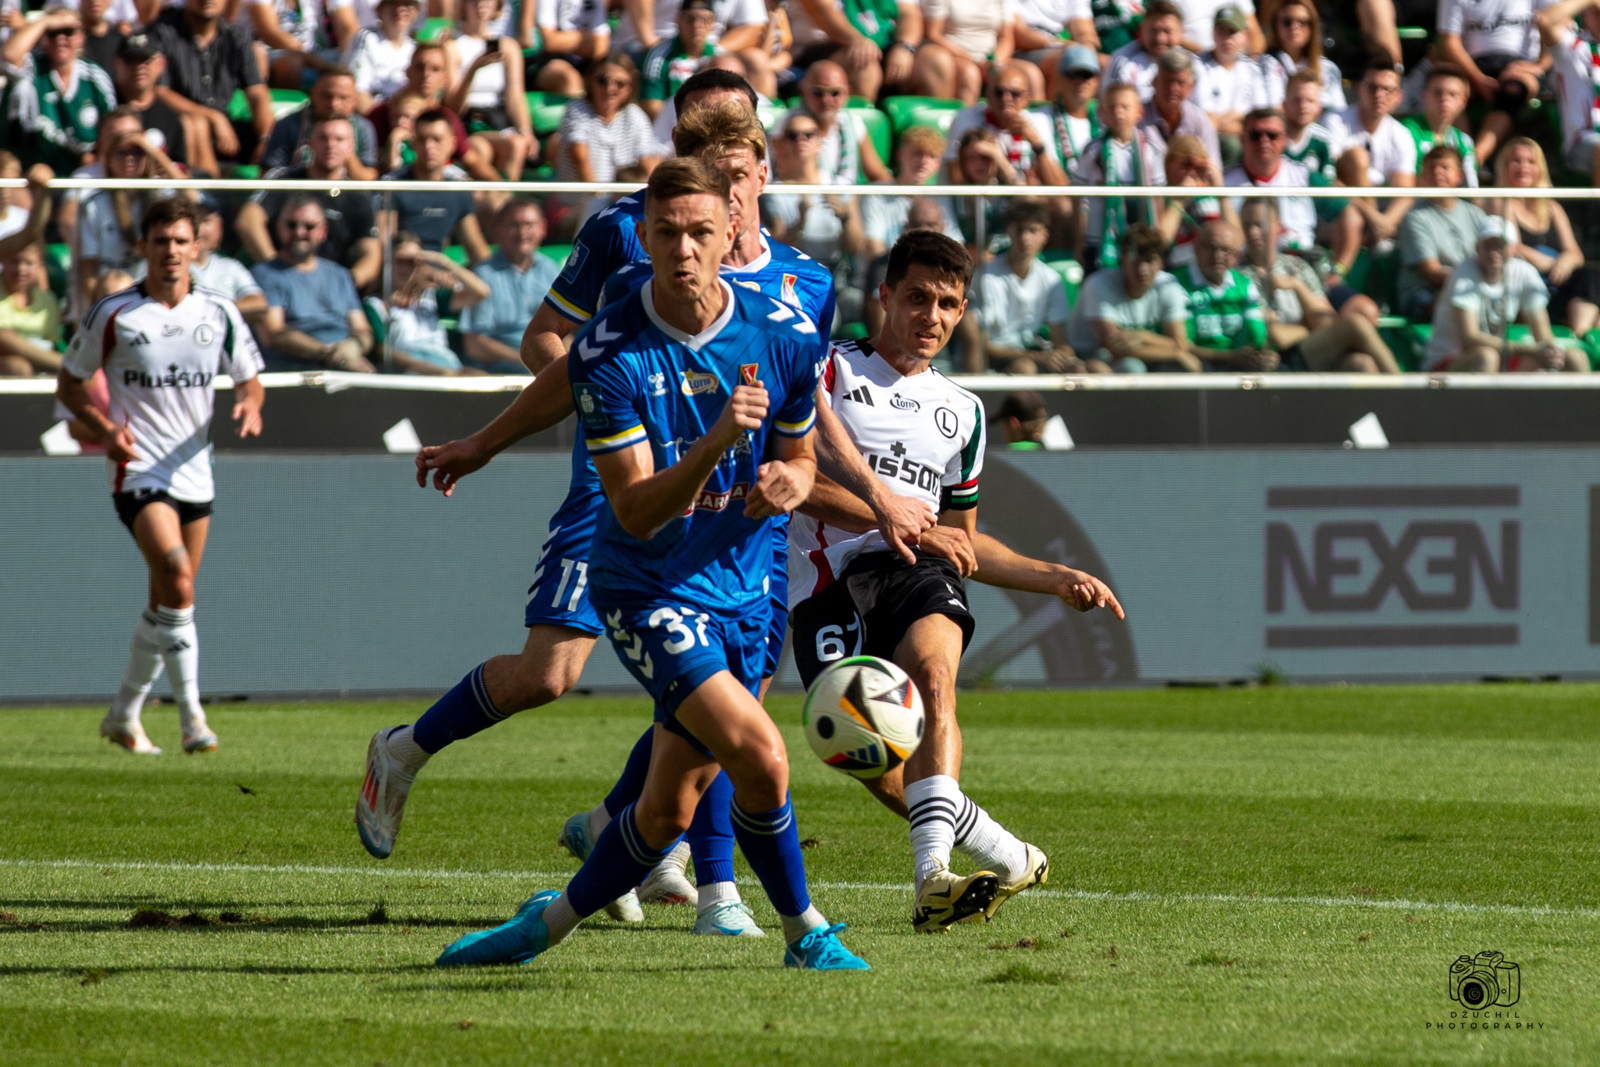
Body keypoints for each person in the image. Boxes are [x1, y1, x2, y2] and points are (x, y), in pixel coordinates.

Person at [358, 98, 886, 941]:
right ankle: (409, 749)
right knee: (553, 674)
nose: (728, 194)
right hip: (623, 493)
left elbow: (803, 411)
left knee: (710, 720)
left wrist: (831, 484)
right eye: (710, 164)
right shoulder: (620, 239)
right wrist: (512, 436)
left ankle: (646, 853)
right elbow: (556, 351)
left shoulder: (801, 287)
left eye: (743, 174)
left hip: (732, 533)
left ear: (759, 178)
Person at [789, 229, 1123, 931]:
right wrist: (890, 515)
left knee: (936, 684)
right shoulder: (827, 372)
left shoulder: (964, 411)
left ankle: (931, 882)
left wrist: (1052, 575)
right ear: (884, 295)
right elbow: (792, 483)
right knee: (872, 758)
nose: (931, 316)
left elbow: (959, 542)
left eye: (947, 303)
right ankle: (1005, 849)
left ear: (963, 310)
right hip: (824, 585)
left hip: (917, 574)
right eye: (917, 297)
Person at [56, 196, 266, 756]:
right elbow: (69, 385)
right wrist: (104, 430)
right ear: (143, 247)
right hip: (137, 466)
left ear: (196, 247)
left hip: (196, 468)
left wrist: (250, 402)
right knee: (177, 579)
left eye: (180, 241)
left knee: (169, 601)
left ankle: (123, 714)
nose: (171, 251)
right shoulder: (115, 313)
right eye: (160, 241)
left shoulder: (218, 311)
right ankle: (193, 719)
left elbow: (249, 377)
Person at [1237, 198, 1397, 372]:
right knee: (1355, 324)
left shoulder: (1298, 267)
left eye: (1260, 225)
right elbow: (1275, 336)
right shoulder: (1241, 277)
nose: (1253, 232)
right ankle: (1405, 389)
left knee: (1361, 363)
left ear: (1279, 226)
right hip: (1278, 360)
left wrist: (1297, 286)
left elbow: (1327, 322)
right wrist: (1310, 326)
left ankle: (1397, 395)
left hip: (1309, 351)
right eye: (1247, 226)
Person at [238, 115, 383, 292]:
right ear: (309, 142)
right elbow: (247, 221)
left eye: (339, 139)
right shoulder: (284, 179)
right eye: (323, 138)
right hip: (280, 287)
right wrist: (276, 271)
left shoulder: (358, 194)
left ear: (351, 146)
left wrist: (343, 286)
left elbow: (371, 253)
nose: (331, 145)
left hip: (331, 290)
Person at [1424, 216, 1586, 373]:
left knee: (1575, 358)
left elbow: (1542, 334)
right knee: (1486, 357)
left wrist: (1549, 351)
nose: (1494, 251)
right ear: (1477, 248)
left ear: (1514, 248)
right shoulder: (1464, 273)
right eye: (1488, 245)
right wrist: (1528, 350)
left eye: (1501, 245)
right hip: (1447, 363)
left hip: (1500, 358)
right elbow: (1470, 338)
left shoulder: (1525, 272)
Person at [252, 195, 377, 371]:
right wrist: (332, 355)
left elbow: (362, 329)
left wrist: (354, 345)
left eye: (309, 226)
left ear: (323, 230)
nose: (299, 233)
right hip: (297, 371)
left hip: (346, 364)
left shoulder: (340, 275)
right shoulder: (265, 274)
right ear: (278, 227)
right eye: (291, 225)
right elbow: (274, 333)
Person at [1491, 137, 1599, 338]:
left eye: (1531, 162)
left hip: (1559, 284)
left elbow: (1576, 254)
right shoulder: (1500, 202)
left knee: (1592, 277)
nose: (1524, 167)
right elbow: (1513, 247)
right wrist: (1551, 263)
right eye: (1516, 160)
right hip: (1528, 287)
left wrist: (1565, 262)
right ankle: (1584, 339)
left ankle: (1581, 337)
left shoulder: (1552, 207)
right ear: (1503, 166)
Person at [77, 122, 191, 309]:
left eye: (137, 153)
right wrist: (99, 310)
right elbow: (88, 269)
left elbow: (190, 195)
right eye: (121, 153)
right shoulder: (95, 205)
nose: (129, 159)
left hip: (153, 295)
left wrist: (151, 151)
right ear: (109, 159)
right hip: (111, 296)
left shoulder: (158, 194)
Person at [146, 0, 275, 165]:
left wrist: (266, 139)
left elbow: (257, 92)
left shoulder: (237, 37)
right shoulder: (162, 33)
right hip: (180, 127)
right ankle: (203, 188)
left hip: (227, 128)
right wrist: (213, 117)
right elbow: (159, 91)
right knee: (194, 126)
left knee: (278, 142)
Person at [1324, 58, 1415, 279]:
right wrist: (1373, 217)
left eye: (1387, 89)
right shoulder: (1335, 121)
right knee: (1356, 157)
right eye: (1372, 87)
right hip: (1336, 207)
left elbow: (1405, 193)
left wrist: (1385, 223)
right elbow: (1329, 180)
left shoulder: (1401, 134)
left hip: (1376, 216)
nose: (1379, 94)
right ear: (1359, 90)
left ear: (1398, 96)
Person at [552, 55, 664, 235]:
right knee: (599, 208)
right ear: (590, 81)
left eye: (620, 83)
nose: (610, 89)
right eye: (602, 81)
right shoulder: (576, 109)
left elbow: (647, 165)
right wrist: (605, 202)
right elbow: (580, 158)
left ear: (630, 87)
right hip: (572, 208)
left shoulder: (634, 115)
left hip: (618, 204)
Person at [1, 6, 116, 176]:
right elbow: (9, 55)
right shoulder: (33, 66)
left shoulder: (94, 78)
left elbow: (113, 129)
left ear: (81, 37)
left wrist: (94, 161)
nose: (61, 38)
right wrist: (46, 21)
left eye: (68, 31)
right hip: (28, 172)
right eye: (53, 32)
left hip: (80, 175)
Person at [1066, 223, 1198, 371]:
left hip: (1141, 351)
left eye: (1149, 260)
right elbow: (1115, 347)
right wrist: (1176, 353)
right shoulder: (1098, 284)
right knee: (1132, 367)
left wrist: (1144, 336)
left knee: (1185, 365)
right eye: (1136, 260)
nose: (1142, 269)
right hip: (1089, 355)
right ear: (1123, 260)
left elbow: (1180, 343)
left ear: (1160, 262)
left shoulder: (1168, 285)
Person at [971, 199, 1082, 374]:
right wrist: (1037, 357)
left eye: (1032, 230)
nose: (1025, 238)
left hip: (1035, 351)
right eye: (1019, 230)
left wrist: (1066, 358)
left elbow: (1061, 341)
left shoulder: (1051, 279)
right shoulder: (985, 277)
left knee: (1082, 369)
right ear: (1009, 231)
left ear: (1044, 236)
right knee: (1025, 368)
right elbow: (981, 345)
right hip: (998, 358)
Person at [1436, 0, 1548, 166]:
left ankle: (1474, 159)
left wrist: (1539, 66)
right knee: (1452, 91)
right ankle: (1462, 154)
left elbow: (1555, 29)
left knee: (1513, 90)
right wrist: (1478, 78)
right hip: (1472, 64)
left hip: (1522, 66)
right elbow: (1449, 42)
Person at [365, 231, 491, 375]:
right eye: (400, 261)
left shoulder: (432, 298)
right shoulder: (375, 305)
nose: (406, 268)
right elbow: (383, 352)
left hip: (445, 361)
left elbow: (482, 292)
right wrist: (437, 371)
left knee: (482, 378)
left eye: (412, 261)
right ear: (387, 262)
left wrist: (442, 261)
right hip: (410, 369)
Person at [459, 198, 561, 373]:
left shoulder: (550, 270)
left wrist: (563, 361)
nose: (522, 233)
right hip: (504, 369)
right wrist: (528, 362)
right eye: (514, 225)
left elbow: (564, 330)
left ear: (543, 228)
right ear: (498, 229)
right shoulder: (483, 274)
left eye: (529, 225)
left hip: (547, 363)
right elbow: (475, 344)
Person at [1069, 82, 1162, 272]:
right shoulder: (1093, 150)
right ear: (1102, 113)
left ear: (1139, 112)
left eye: (1125, 107)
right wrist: (1079, 240)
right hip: (1099, 237)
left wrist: (1156, 236)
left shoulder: (1151, 151)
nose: (1118, 112)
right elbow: (1077, 197)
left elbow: (1158, 198)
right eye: (1112, 107)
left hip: (1140, 238)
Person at [443, 0, 538, 180]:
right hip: (467, 121)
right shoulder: (452, 45)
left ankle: (505, 204)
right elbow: (453, 107)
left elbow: (515, 96)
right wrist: (473, 70)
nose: (481, 5)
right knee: (480, 149)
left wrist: (526, 131)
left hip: (496, 119)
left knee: (517, 144)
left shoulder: (508, 46)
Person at [380, 109, 492, 260]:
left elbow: (476, 248)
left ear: (452, 144)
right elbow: (385, 248)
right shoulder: (393, 186)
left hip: (440, 274)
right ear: (413, 143)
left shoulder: (457, 191)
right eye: (422, 139)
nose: (429, 146)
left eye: (437, 139)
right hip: (402, 271)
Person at [764, 111, 865, 278]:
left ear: (819, 142)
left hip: (834, 274)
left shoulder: (839, 185)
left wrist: (845, 217)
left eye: (809, 135)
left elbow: (856, 247)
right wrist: (800, 222)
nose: (801, 140)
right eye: (792, 136)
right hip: (793, 274)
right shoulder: (773, 192)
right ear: (782, 144)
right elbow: (775, 250)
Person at [1397, 144, 1486, 322]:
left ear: (1459, 175)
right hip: (1425, 292)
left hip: (1471, 286)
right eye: (1431, 167)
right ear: (1423, 175)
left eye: (1445, 167)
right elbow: (1431, 271)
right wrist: (1475, 280)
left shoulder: (1475, 214)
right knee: (1458, 308)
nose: (1438, 172)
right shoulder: (1414, 217)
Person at [1170, 219, 1275, 370]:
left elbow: (1258, 336)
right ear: (1196, 248)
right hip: (1197, 365)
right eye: (1211, 247)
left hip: (1237, 362)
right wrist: (1230, 357)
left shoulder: (1244, 285)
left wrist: (1266, 354)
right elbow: (1182, 345)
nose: (1217, 255)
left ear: (1237, 256)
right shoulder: (1176, 284)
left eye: (1225, 249)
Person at [943, 62, 1068, 187]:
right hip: (982, 202)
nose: (1006, 99)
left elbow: (1060, 187)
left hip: (1025, 203)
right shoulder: (966, 119)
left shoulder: (1036, 122)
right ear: (988, 96)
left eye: (1014, 94)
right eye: (999, 92)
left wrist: (1036, 143)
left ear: (1026, 99)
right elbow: (956, 181)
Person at [785, 0, 923, 100]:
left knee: (934, 61)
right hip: (818, 49)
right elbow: (821, 10)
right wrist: (857, 40)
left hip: (883, 45)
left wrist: (904, 47)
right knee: (862, 63)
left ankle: (927, 136)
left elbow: (909, 13)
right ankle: (860, 130)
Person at [260, 66, 381, 178]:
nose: (334, 104)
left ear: (355, 100)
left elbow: (369, 179)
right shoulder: (288, 125)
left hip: (345, 197)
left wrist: (344, 153)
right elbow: (269, 175)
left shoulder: (363, 128)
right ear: (313, 94)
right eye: (326, 96)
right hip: (298, 196)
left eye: (343, 97)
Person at [111, 33, 208, 173]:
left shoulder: (170, 117)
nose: (139, 67)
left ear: (161, 64)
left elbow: (182, 170)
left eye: (145, 60)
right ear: (116, 63)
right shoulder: (107, 105)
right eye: (131, 60)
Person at [1225, 106, 1316, 253]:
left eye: (1272, 135)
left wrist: (1337, 270)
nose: (1264, 140)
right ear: (1242, 140)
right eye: (1255, 135)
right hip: (1243, 267)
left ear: (1284, 140)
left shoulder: (1304, 176)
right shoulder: (1221, 183)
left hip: (1299, 266)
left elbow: (1347, 214)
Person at [861, 126, 961, 257]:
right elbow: (874, 249)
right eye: (917, 153)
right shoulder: (877, 193)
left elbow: (956, 248)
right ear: (901, 155)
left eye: (931, 156)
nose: (924, 161)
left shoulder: (941, 198)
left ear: (938, 164)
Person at [790, 59, 891, 185]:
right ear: (803, 91)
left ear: (847, 93)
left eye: (835, 93)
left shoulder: (853, 123)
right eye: (818, 93)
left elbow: (878, 174)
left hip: (844, 202)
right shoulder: (789, 129)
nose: (826, 99)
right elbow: (791, 181)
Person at [909, 0, 1023, 104]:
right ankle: (965, 123)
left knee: (1030, 74)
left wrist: (996, 62)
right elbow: (933, 34)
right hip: (953, 55)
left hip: (989, 59)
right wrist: (973, 61)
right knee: (970, 74)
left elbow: (1006, 39)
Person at [1540, 0, 1600, 185]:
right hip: (1582, 141)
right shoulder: (1573, 46)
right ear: (1585, 16)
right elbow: (1545, 21)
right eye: (1596, 14)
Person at [1136, 48, 1222, 171]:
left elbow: (1213, 169)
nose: (1173, 88)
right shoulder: (1137, 117)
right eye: (1168, 81)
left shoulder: (1200, 120)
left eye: (1180, 83)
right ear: (1154, 82)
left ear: (1191, 87)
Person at [1196, 5, 1262, 162]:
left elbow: (1261, 119)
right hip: (1206, 143)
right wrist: (1238, 117)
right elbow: (1208, 124)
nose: (1227, 38)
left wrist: (1224, 121)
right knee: (1232, 145)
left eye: (1232, 32)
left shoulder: (1252, 70)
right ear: (1213, 33)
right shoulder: (1198, 66)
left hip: (1248, 141)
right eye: (1221, 31)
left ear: (1245, 36)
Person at [1156, 132, 1233, 267]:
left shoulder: (1214, 195)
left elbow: (1236, 239)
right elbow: (1160, 243)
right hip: (1176, 272)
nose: (1192, 174)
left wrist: (1221, 193)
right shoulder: (1160, 196)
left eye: (1199, 168)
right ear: (1168, 164)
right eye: (1186, 165)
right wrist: (1178, 202)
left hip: (1212, 269)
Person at [1399, 65, 1480, 189]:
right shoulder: (1405, 131)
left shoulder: (1465, 141)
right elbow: (1406, 180)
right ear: (1425, 96)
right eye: (1438, 92)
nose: (1444, 99)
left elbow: (1472, 188)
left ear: (1462, 102)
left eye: (1452, 94)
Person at [1258, 0, 1344, 111]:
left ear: (1312, 26)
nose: (1294, 27)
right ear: (1275, 25)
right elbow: (1274, 108)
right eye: (1287, 22)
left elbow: (1339, 111)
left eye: (1302, 22)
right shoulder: (1267, 63)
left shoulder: (1328, 68)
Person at [641, 0, 718, 118]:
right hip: (671, 123)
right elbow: (651, 103)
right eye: (690, 19)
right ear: (678, 21)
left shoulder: (719, 56)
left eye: (705, 20)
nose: (697, 25)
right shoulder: (659, 55)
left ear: (712, 24)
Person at [1102, 0, 1187, 104]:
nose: (1160, 39)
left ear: (1181, 31)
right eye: (1153, 31)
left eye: (1167, 31)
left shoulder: (1192, 65)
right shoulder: (1121, 60)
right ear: (1142, 29)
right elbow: (1109, 107)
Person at [1012, 0, 1099, 99]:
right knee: (1063, 62)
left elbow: (1085, 32)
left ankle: (1089, 113)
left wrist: (1087, 51)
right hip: (1024, 52)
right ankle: (1054, 113)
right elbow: (1019, 34)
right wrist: (1064, 45)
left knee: (1104, 64)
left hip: (1062, 48)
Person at [0, 241, 63, 376]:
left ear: (40, 266)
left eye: (28, 263)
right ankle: (66, 366)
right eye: (14, 261)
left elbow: (51, 341)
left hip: (41, 361)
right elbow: (3, 341)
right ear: (3, 261)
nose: (20, 269)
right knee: (18, 367)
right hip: (7, 362)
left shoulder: (48, 300)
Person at [345, 0, 419, 110]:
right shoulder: (366, 38)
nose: (400, 9)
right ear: (379, 9)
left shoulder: (415, 48)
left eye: (407, 5)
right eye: (393, 3)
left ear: (416, 12)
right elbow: (358, 93)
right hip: (374, 116)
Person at [529, 0, 612, 97]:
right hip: (549, 63)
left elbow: (600, 49)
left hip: (589, 65)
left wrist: (564, 39)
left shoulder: (596, 2)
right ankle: (576, 112)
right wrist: (584, 36)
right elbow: (550, 42)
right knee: (569, 79)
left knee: (615, 78)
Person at [1042, 43, 1101, 172]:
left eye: (1087, 75)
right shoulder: (1038, 119)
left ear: (1096, 81)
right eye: (1073, 74)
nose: (1080, 81)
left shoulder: (1107, 120)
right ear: (1059, 79)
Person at [1281, 67, 1336, 180]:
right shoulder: (1271, 136)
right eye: (1297, 100)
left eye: (1310, 101)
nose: (1303, 106)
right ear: (1284, 104)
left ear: (1319, 107)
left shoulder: (1323, 140)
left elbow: (1327, 184)